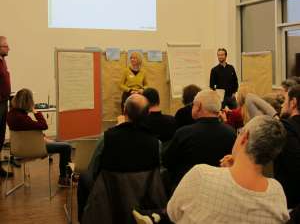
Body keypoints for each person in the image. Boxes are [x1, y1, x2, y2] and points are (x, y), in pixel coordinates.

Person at [166, 115, 289, 224]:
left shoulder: (201, 175)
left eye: (240, 132)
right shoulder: (276, 193)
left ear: (244, 137)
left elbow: (172, 213)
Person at [77, 93, 160, 222]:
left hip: (108, 203)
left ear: (124, 112)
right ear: (147, 114)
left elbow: (93, 170)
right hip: (144, 201)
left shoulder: (107, 139)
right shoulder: (155, 143)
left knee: (84, 178)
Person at [162, 90, 236, 188]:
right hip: (219, 188)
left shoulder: (184, 133)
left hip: (187, 188)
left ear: (199, 106)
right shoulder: (231, 133)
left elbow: (167, 161)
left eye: (193, 105)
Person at [6, 88, 72, 186]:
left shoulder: (10, 115)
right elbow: (43, 125)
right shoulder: (22, 118)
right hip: (32, 148)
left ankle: (69, 172)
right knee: (66, 147)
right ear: (29, 102)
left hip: (18, 148)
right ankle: (64, 177)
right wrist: (35, 111)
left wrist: (43, 139)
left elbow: (30, 131)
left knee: (58, 143)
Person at [274, 84, 300, 209]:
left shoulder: (286, 127)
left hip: (292, 203)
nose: (282, 105)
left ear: (293, 102)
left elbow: (295, 165)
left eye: (285, 100)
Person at [0, 36, 13, 177]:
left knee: (1, 135)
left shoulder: (3, 61)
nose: (8, 48)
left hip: (4, 103)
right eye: (5, 46)